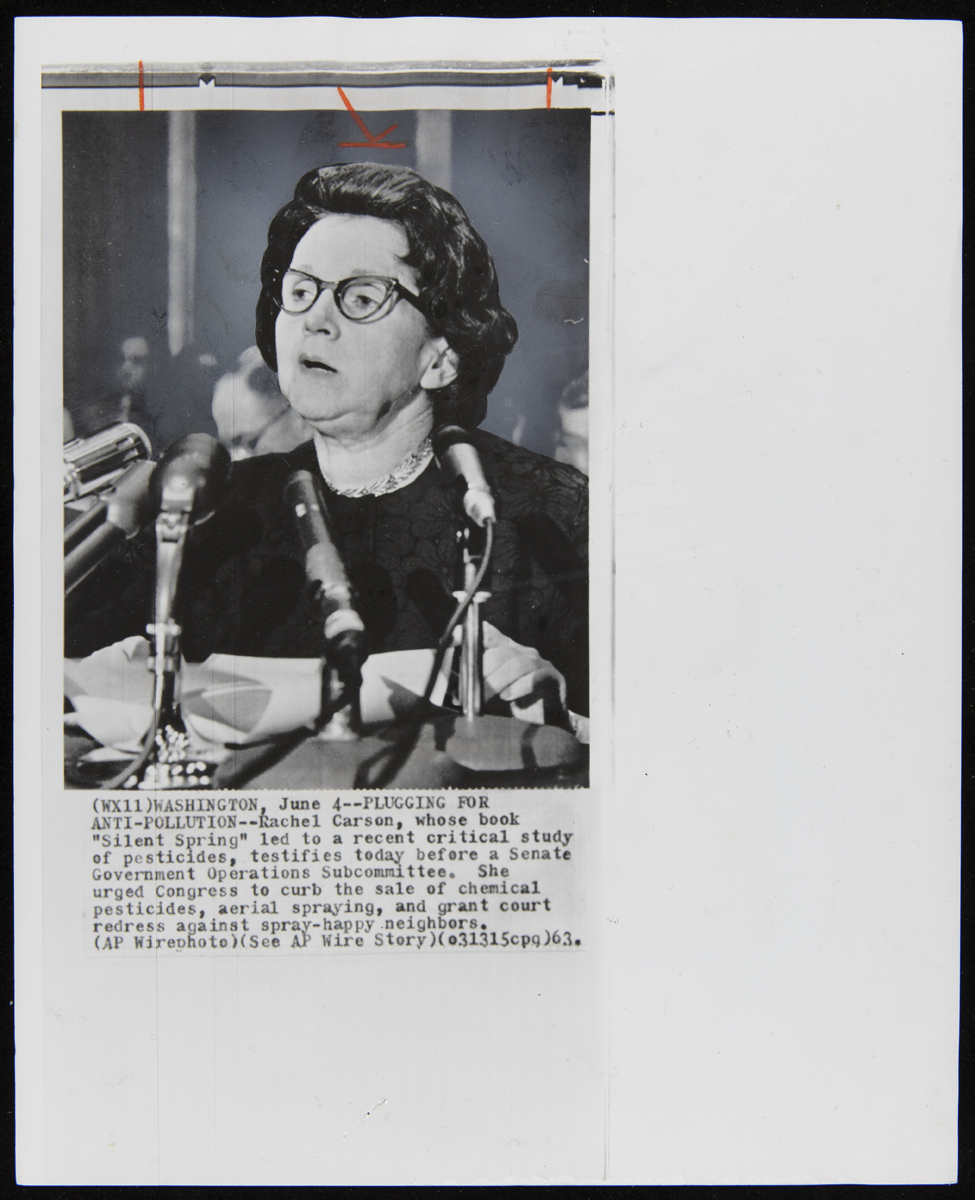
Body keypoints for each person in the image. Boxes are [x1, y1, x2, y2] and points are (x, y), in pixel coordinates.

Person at [66, 162, 588, 723]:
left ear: (441, 357)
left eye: (360, 299)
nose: (314, 319)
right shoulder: (214, 509)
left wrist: (557, 708)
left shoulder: (552, 512)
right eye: (300, 290)